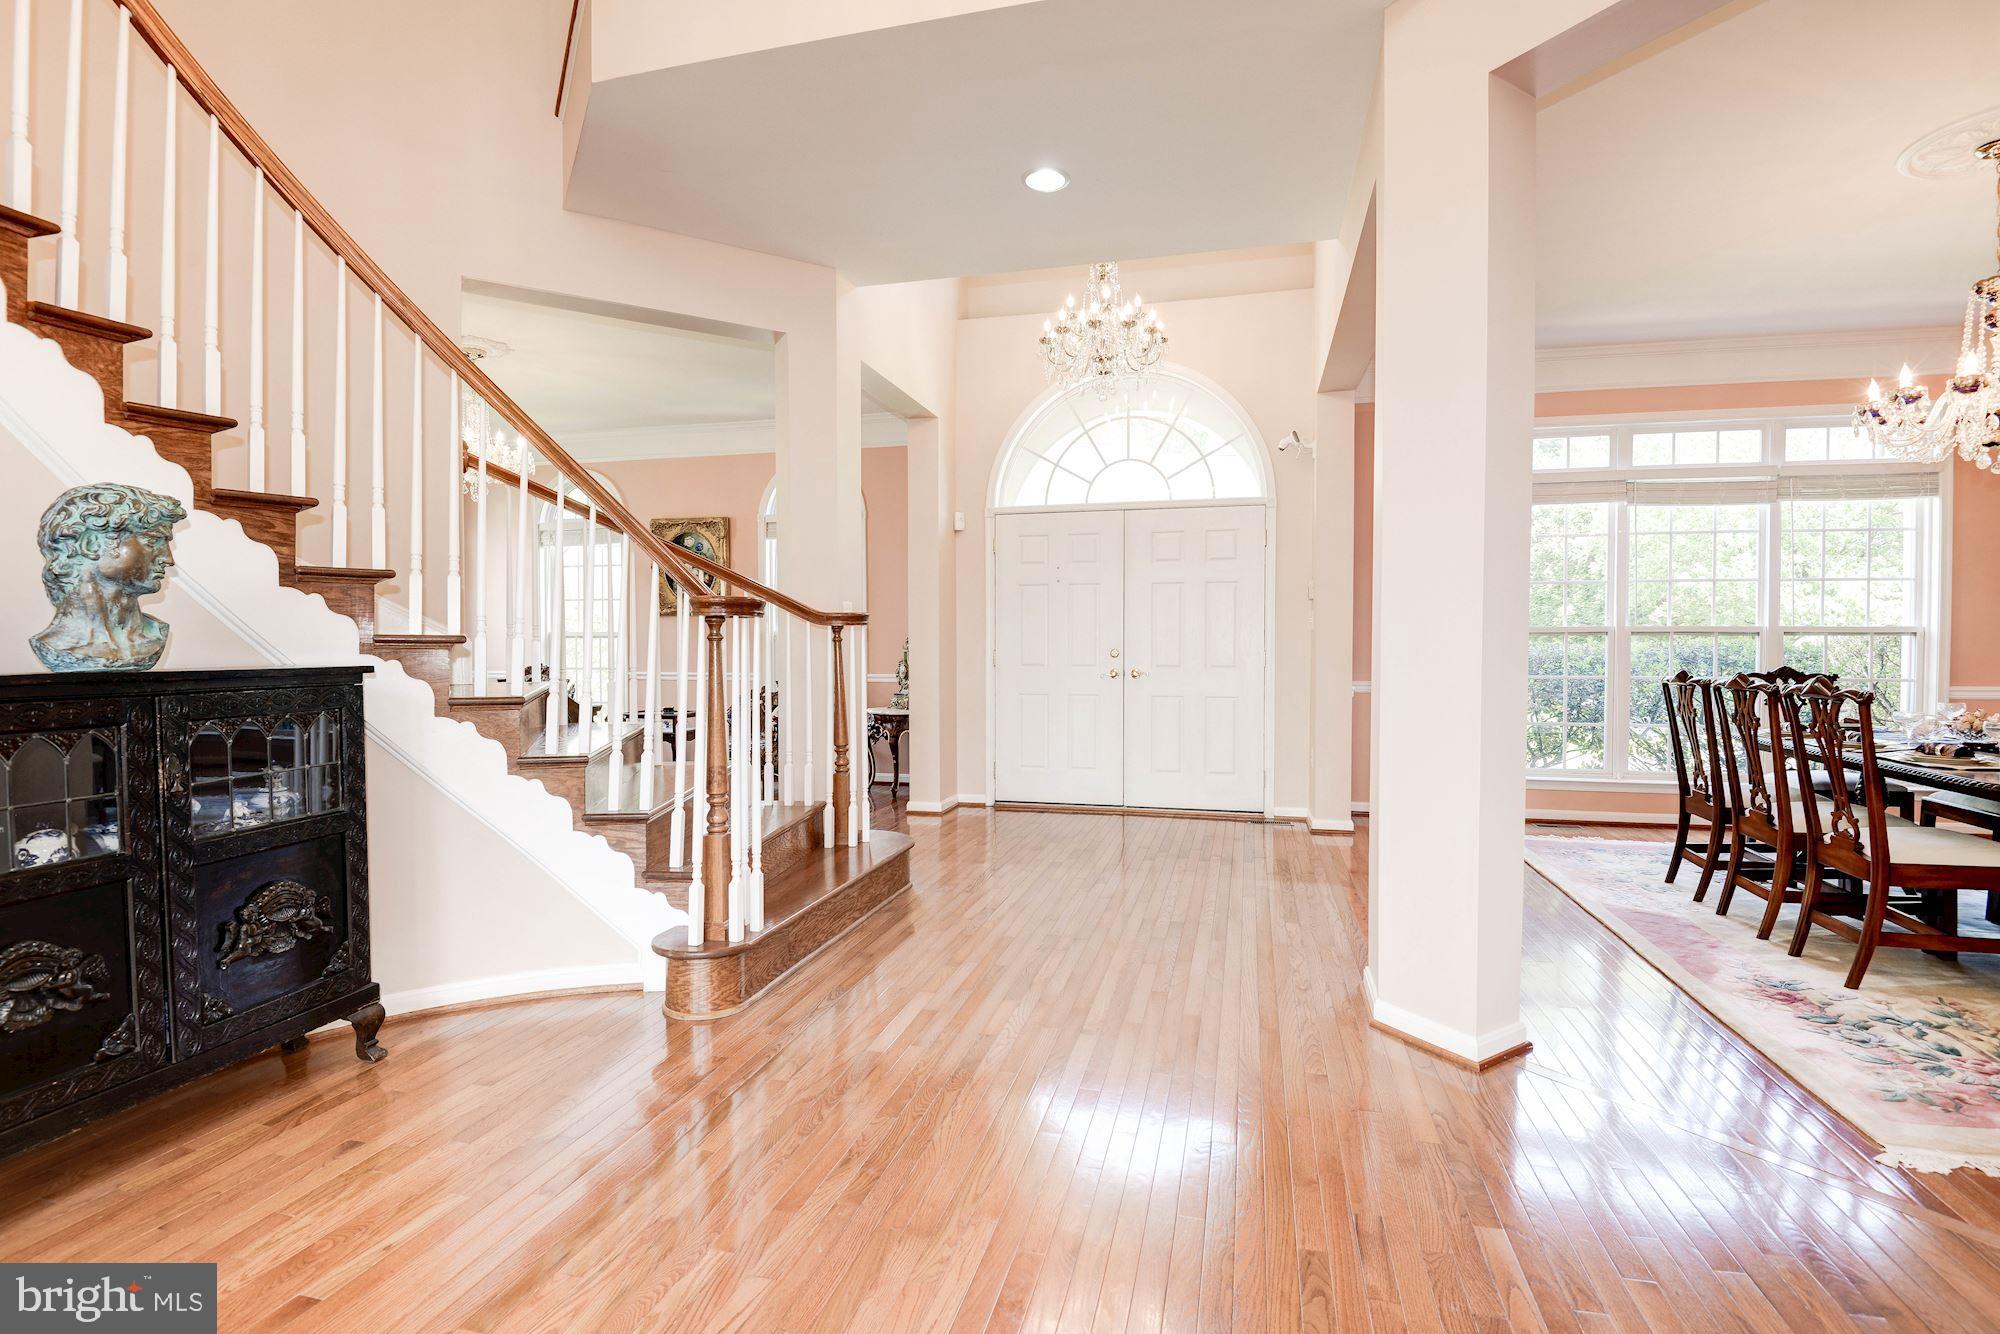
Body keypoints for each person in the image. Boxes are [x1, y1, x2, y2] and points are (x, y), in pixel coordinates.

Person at [29, 482, 186, 671]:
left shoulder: (154, 636)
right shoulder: (57, 646)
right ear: (91, 544)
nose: (168, 559)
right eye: (152, 541)